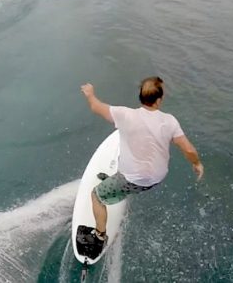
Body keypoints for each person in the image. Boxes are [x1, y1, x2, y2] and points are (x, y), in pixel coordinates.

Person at [80, 76, 204, 250]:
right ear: (159, 100)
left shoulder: (124, 114)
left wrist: (90, 94)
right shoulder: (170, 121)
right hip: (157, 178)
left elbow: (95, 106)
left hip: (133, 180)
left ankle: (100, 237)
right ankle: (117, 185)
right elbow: (189, 150)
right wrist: (197, 164)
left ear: (140, 96)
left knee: (96, 196)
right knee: (124, 163)